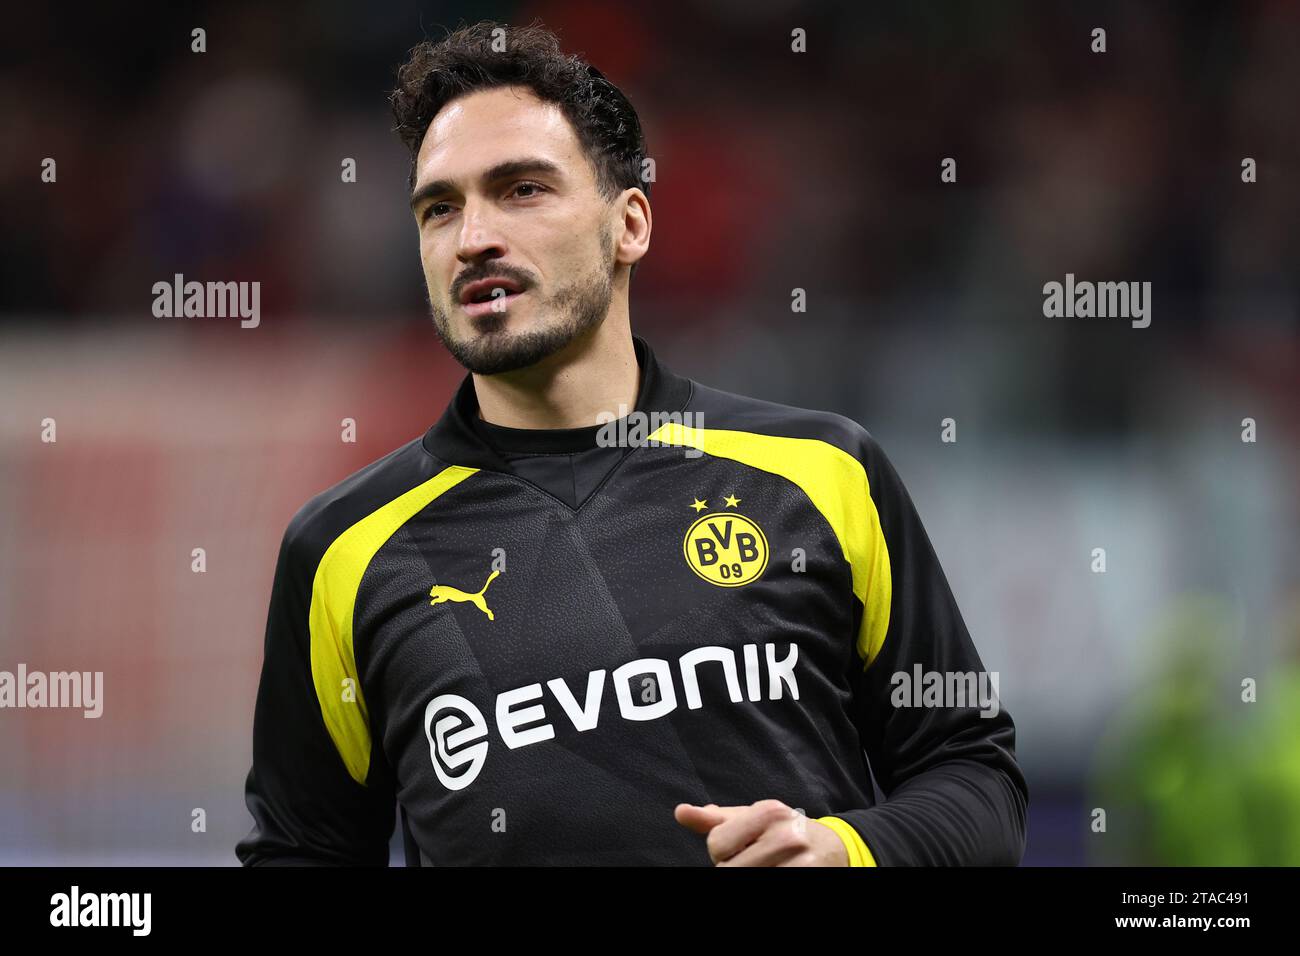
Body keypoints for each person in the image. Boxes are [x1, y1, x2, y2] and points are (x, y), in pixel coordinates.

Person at [236, 20, 1027, 866]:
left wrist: (847, 850)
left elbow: (974, 778)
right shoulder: (343, 553)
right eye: (440, 208)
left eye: (523, 190)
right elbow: (299, 852)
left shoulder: (824, 474)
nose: (473, 239)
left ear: (631, 226)